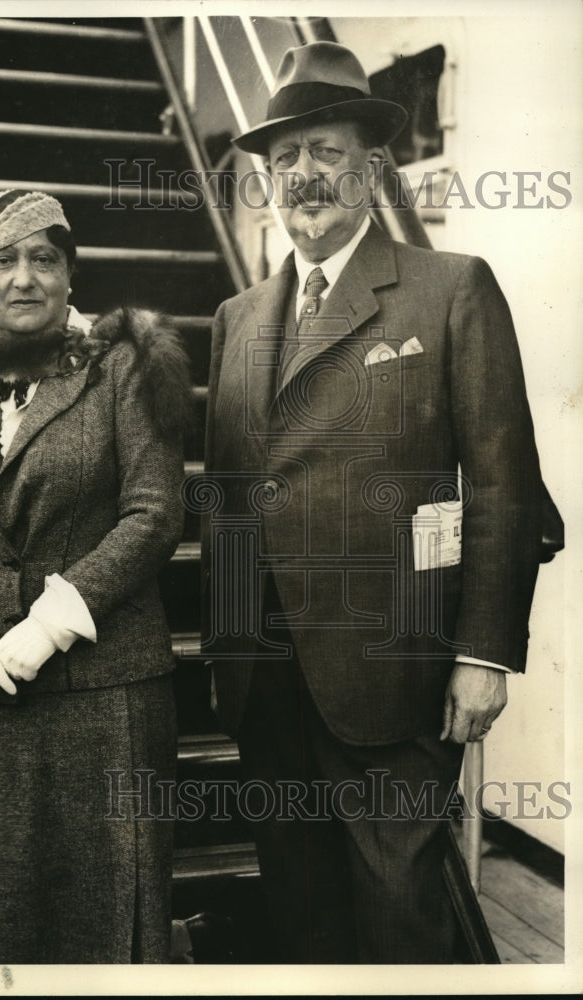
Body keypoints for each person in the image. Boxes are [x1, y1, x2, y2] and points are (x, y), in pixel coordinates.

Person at [201, 42, 544, 963]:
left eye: (322, 151)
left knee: (401, 917)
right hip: (266, 682)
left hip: (397, 680)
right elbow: (232, 501)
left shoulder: (449, 289)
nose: (301, 175)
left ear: (371, 166)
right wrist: (227, 647)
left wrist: (484, 654)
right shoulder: (236, 319)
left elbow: (505, 481)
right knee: (299, 912)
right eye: (283, 161)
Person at [0, 189, 192, 963]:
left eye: (44, 258)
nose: (24, 277)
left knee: (110, 928)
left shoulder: (125, 365)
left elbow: (153, 514)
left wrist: (50, 624)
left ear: (69, 272)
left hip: (107, 692)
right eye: (2, 261)